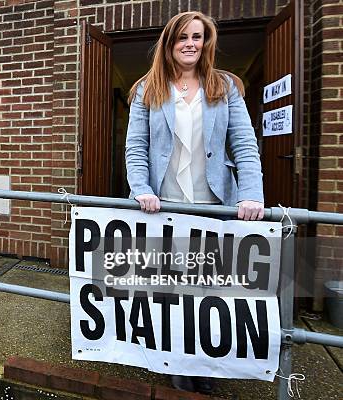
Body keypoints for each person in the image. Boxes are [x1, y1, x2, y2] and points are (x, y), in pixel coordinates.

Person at [125, 11, 264, 394]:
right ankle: (174, 363)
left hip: (213, 207)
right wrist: (140, 189)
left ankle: (205, 364)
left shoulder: (226, 87)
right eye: (182, 36)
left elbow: (245, 145)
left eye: (197, 37)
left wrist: (252, 194)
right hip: (162, 206)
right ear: (169, 43)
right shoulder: (146, 89)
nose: (190, 43)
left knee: (208, 291)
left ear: (206, 43)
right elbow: (136, 148)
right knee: (169, 290)